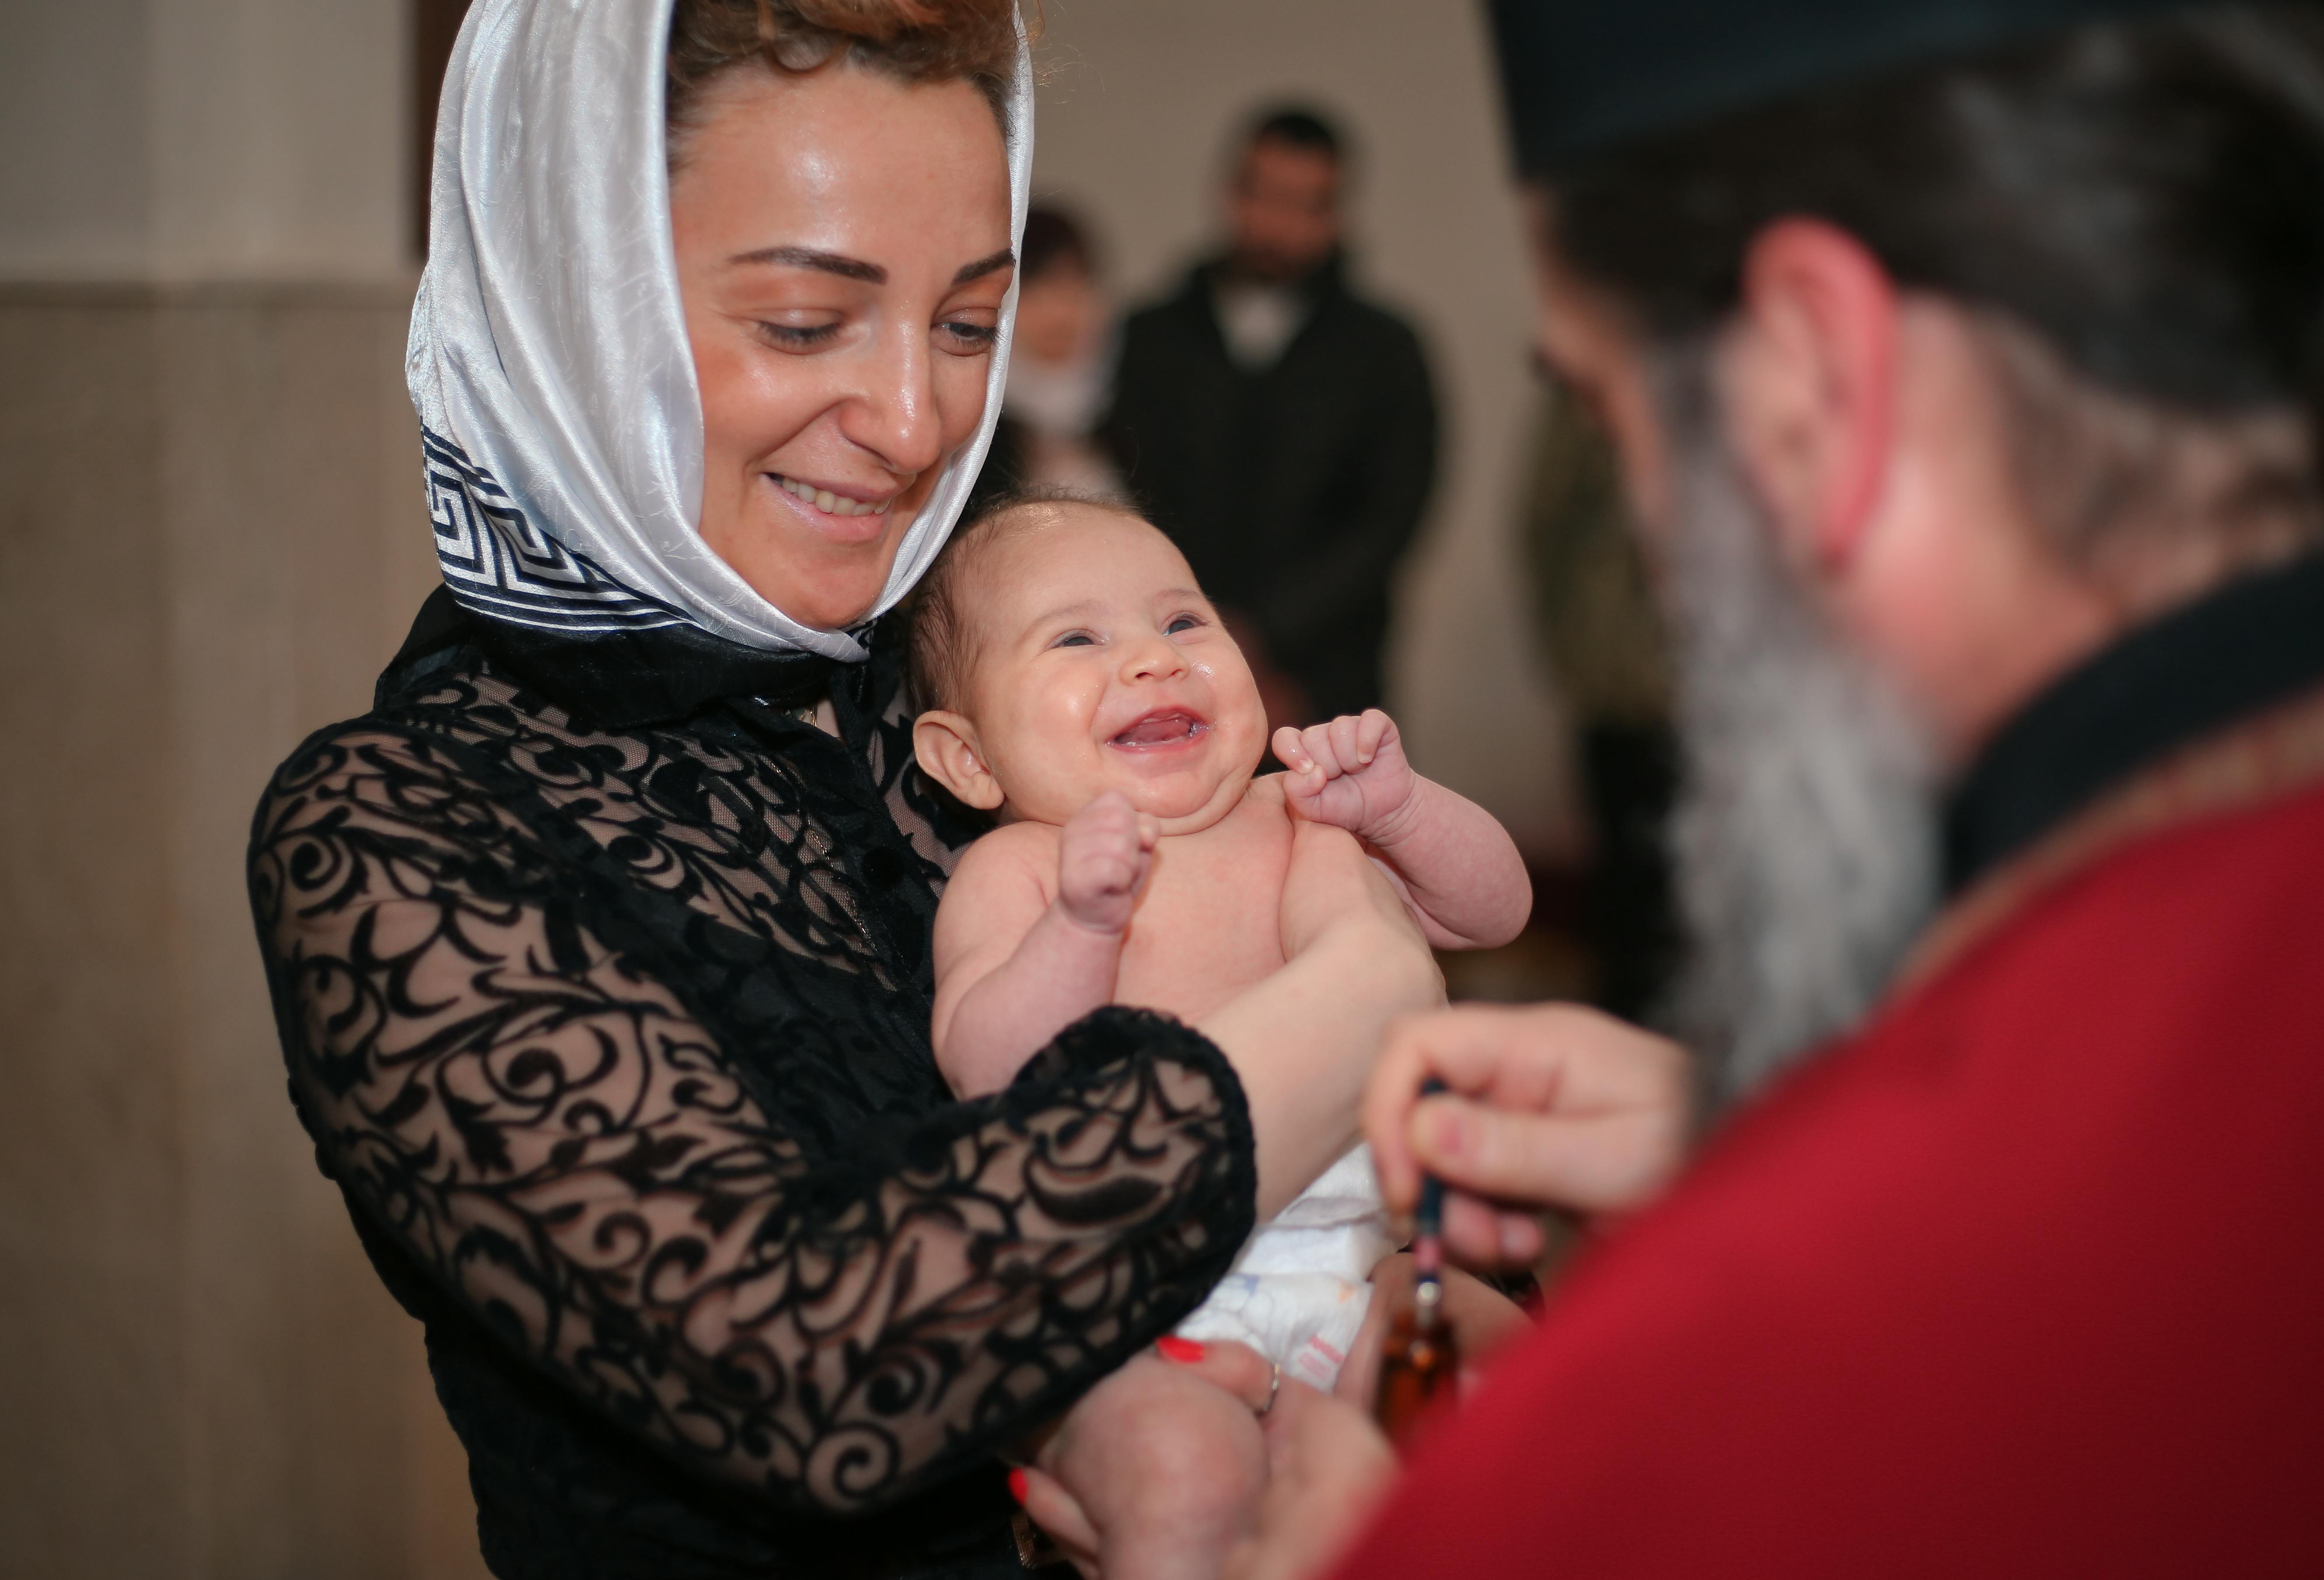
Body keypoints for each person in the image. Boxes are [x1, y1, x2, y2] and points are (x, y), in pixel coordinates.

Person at [1011, 1, 2324, 1575]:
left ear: (1812, 381)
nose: (1653, 553)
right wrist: (1725, 1135)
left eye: (1606, 412)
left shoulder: (1684, 1419)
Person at [242, 4, 1440, 1578]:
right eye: (808, 322)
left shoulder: (959, 697)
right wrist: (1360, 1002)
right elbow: (811, 1369)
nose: (912, 422)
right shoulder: (401, 828)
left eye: (963, 325)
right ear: (566, 308)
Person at [900, 493, 1531, 1579]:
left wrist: (1401, 810)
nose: (1152, 661)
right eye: (1078, 638)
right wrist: (1079, 929)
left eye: (1185, 623)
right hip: (1139, 1304)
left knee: (1525, 1370)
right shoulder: (1021, 872)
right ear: (967, 761)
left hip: (1358, 1263)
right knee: (1179, 1474)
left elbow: (1496, 911)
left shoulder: (1301, 811)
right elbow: (986, 1065)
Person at [1101, 106, 1438, 726]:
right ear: (1229, 192)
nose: (1278, 223)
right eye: (1264, 194)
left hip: (1330, 670)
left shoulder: (1384, 349)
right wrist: (1198, 623)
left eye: (1305, 203)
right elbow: (1123, 489)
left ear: (1337, 214)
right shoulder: (1147, 337)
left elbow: (1391, 517)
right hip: (1160, 651)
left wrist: (1270, 636)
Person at [1514, 379, 1683, 1023]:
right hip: (1622, 687)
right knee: (1630, 902)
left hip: (1734, 698)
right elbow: (1545, 521)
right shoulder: (1596, 379)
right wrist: (1579, 650)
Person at [972, 206, 1127, 503]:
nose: (1061, 310)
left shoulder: (1145, 402)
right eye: (1038, 286)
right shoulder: (973, 427)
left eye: (1075, 283)